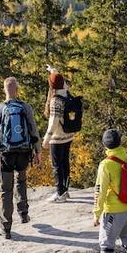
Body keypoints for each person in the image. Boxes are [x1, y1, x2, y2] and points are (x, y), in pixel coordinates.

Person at [0, 77, 41, 240]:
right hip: (23, 152)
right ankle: (23, 213)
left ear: (4, 90)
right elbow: (33, 130)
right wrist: (38, 151)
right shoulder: (25, 107)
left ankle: (6, 228)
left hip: (6, 154)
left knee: (5, 190)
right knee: (21, 181)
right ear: (17, 90)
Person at [42, 70, 75, 203]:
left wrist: (46, 138)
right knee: (65, 163)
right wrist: (54, 71)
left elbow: (54, 121)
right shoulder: (66, 94)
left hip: (57, 138)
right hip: (68, 135)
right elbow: (62, 83)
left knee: (56, 166)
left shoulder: (55, 100)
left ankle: (60, 193)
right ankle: (65, 190)